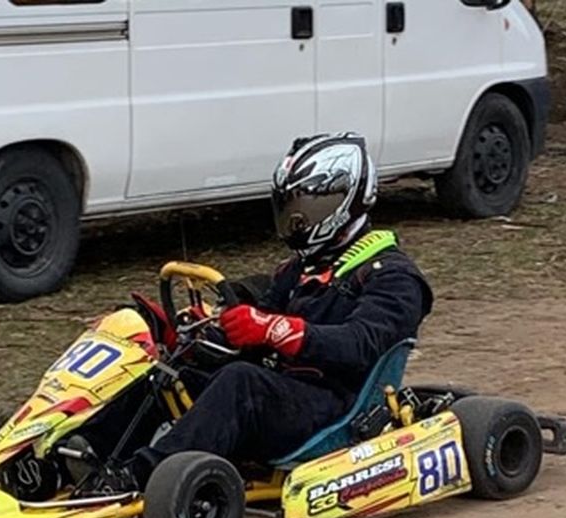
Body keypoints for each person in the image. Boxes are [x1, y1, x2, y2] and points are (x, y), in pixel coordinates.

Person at [123, 132, 432, 486]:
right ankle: (71, 458)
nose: (294, 218)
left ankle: (140, 478)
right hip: (283, 394)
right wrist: (196, 336)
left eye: (304, 206)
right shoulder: (298, 270)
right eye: (288, 205)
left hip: (334, 409)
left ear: (341, 201)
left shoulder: (393, 276)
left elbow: (360, 344)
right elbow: (254, 333)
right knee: (166, 375)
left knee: (241, 382)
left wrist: (277, 330)